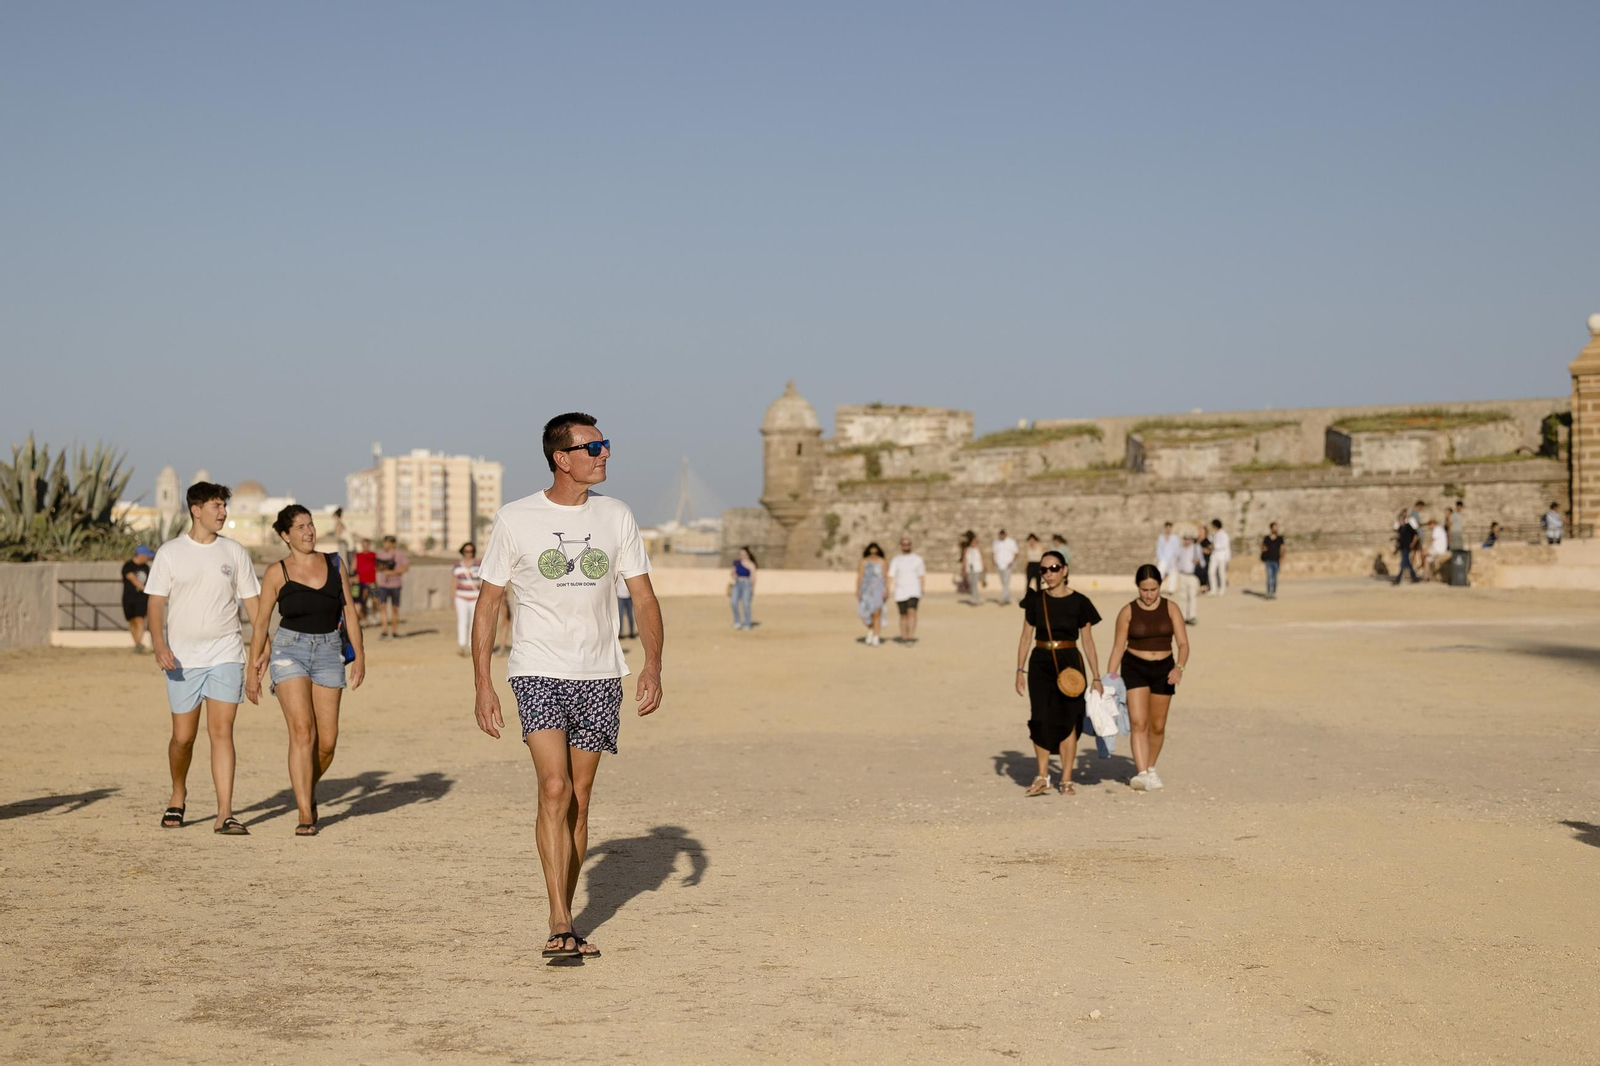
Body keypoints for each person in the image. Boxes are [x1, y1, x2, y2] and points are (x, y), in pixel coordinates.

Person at [472, 412, 663, 961]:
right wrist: (482, 683)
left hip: (601, 671)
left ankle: (566, 905)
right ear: (563, 458)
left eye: (606, 445)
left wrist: (652, 664)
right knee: (553, 789)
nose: (605, 454)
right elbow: (489, 603)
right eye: (594, 446)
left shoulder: (617, 516)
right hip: (537, 668)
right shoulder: (516, 518)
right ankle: (560, 920)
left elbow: (644, 597)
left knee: (578, 799)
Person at [145, 482, 262, 835]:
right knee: (183, 738)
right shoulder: (170, 552)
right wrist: (159, 644)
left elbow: (254, 605)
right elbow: (155, 603)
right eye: (216, 506)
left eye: (224, 506)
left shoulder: (235, 552)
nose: (223, 512)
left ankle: (225, 812)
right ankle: (178, 793)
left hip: (226, 652)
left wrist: (261, 644)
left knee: (222, 731)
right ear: (196, 510)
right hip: (182, 659)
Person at [245, 505, 365, 835]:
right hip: (289, 650)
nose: (308, 531)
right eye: (299, 527)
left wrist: (361, 655)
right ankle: (304, 812)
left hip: (329, 650)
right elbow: (260, 625)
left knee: (327, 741)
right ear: (285, 536)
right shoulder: (275, 572)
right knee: (302, 730)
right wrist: (252, 669)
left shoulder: (333, 563)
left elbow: (350, 613)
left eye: (310, 524)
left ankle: (305, 787)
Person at [1013, 550, 1103, 796]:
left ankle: (1066, 778)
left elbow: (1088, 642)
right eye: (1043, 570)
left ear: (1064, 570)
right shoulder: (1035, 600)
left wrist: (1096, 676)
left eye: (1053, 568)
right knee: (1040, 717)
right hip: (1040, 661)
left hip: (1070, 663)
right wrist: (1020, 669)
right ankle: (1042, 775)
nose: (1048, 574)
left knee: (1068, 719)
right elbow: (1025, 637)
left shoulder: (1080, 602)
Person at [1106, 564, 1189, 791]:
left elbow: (1183, 644)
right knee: (1138, 723)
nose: (1149, 595)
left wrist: (1179, 667)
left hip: (1165, 669)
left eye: (1153, 589)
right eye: (1144, 590)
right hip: (1134, 667)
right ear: (1138, 588)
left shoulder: (1171, 608)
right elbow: (1117, 648)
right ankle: (1142, 773)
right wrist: (1109, 680)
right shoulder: (1128, 611)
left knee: (1158, 725)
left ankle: (1151, 767)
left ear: (1160, 586)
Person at [887, 537, 926, 643]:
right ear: (901, 546)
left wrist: (922, 589)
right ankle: (904, 636)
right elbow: (890, 575)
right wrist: (887, 589)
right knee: (903, 615)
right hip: (900, 591)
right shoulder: (896, 560)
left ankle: (911, 636)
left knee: (912, 611)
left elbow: (921, 575)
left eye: (908, 544)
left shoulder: (917, 559)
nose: (906, 546)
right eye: (904, 544)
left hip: (914, 590)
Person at [373, 535, 409, 639]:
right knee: (383, 607)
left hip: (395, 584)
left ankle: (394, 631)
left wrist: (394, 572)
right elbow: (377, 568)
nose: (385, 545)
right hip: (383, 584)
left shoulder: (400, 554)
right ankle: (384, 630)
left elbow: (406, 567)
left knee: (394, 608)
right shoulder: (381, 555)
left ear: (392, 543)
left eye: (387, 542)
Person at [121, 544, 154, 652]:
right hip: (129, 598)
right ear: (141, 555)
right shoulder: (128, 566)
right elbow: (133, 579)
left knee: (140, 619)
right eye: (147, 556)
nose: (148, 558)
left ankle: (139, 643)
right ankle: (137, 643)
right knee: (133, 620)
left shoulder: (146, 567)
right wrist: (144, 588)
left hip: (142, 598)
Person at [453, 542, 483, 656]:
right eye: (466, 551)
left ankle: (472, 646)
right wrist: (452, 598)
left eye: (470, 551)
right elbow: (454, 582)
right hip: (461, 597)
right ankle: (461, 645)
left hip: (475, 597)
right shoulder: (457, 565)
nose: (468, 554)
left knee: (473, 622)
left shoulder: (479, 565)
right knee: (462, 621)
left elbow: (482, 581)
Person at [856, 542, 887, 645]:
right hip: (866, 590)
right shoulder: (864, 562)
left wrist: (886, 590)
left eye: (875, 551)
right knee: (864, 613)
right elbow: (860, 576)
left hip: (878, 590)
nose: (873, 553)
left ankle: (876, 637)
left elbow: (885, 577)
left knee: (877, 614)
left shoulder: (882, 562)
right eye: (871, 550)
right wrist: (858, 590)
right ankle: (871, 629)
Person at [1172, 532, 1202, 624]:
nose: (1187, 541)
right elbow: (1175, 560)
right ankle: (1183, 616)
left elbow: (1202, 562)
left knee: (1192, 596)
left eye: (1189, 539)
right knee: (1182, 596)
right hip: (1182, 574)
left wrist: (1197, 562)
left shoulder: (1196, 548)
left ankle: (1192, 616)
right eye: (1185, 539)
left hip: (1192, 575)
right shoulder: (1179, 549)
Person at [730, 547, 757, 630]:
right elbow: (732, 572)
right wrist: (735, 576)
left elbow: (753, 576)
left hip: (747, 584)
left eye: (744, 554)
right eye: (741, 554)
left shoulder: (751, 564)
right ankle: (737, 622)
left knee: (746, 604)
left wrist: (752, 588)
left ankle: (747, 623)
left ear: (747, 554)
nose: (742, 555)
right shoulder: (737, 563)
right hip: (737, 583)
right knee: (733, 602)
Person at [352, 538, 377, 624]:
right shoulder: (358, 555)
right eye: (363, 545)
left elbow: (378, 567)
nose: (365, 547)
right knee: (363, 600)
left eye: (366, 545)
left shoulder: (373, 555)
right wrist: (354, 577)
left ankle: (374, 615)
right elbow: (353, 567)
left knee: (375, 599)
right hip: (361, 581)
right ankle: (364, 617)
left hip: (372, 581)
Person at [1393, 510, 1421, 584]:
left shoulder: (1408, 527)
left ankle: (1398, 578)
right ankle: (1414, 577)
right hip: (1403, 547)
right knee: (1407, 563)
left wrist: (1412, 543)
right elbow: (1400, 538)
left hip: (1407, 547)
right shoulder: (1401, 528)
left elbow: (1415, 535)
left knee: (1403, 563)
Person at [991, 529, 1019, 606]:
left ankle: (1003, 599)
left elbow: (1016, 553)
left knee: (1006, 582)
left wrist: (1011, 561)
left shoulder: (1011, 542)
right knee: (1004, 583)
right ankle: (1007, 598)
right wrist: (994, 562)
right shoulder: (996, 542)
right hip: (999, 565)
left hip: (1008, 565)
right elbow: (993, 552)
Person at [1260, 522, 1286, 597]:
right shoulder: (1267, 538)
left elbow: (1283, 549)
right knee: (1269, 577)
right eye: (1274, 527)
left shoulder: (1280, 538)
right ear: (1271, 528)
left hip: (1276, 561)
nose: (1276, 529)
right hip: (1268, 560)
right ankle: (1268, 592)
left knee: (1274, 578)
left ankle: (1274, 592)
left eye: (1276, 527)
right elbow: (1263, 547)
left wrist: (1281, 558)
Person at [1208, 519, 1232, 595]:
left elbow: (1224, 545)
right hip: (1214, 555)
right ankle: (1213, 589)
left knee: (1221, 573)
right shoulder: (1214, 534)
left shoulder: (1224, 534)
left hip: (1222, 556)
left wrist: (1214, 546)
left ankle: (1222, 588)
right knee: (1211, 572)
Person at [1154, 522, 1179, 591]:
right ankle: (1158, 588)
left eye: (1169, 528)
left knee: (1172, 574)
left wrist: (1175, 559)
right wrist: (1160, 557)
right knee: (1160, 573)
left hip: (1172, 559)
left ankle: (1171, 589)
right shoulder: (1161, 537)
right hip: (1163, 559)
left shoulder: (1175, 538)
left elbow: (1176, 549)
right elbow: (1158, 548)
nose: (1168, 529)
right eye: (1167, 528)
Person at [962, 532, 985, 606]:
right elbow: (964, 559)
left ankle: (974, 599)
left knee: (974, 584)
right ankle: (975, 598)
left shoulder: (978, 549)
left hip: (977, 569)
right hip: (970, 569)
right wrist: (964, 568)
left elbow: (982, 559)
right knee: (971, 584)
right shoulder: (967, 549)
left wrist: (984, 568)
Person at [617, 573, 636, 639]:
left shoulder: (629, 574)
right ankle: (620, 632)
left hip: (629, 597)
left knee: (630, 615)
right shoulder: (618, 574)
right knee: (620, 615)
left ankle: (631, 632)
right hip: (620, 597)